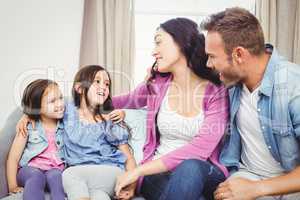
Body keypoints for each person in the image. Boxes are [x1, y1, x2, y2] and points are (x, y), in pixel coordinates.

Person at [113, 18, 229, 200]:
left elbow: (199, 149)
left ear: (181, 42)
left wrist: (137, 171)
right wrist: (87, 97)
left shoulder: (217, 92)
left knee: (190, 167)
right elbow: (124, 101)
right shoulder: (157, 85)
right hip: (158, 176)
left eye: (159, 42)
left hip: (203, 172)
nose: (153, 52)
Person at [201, 7, 300, 200]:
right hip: (246, 176)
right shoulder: (231, 84)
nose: (208, 64)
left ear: (239, 54)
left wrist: (256, 189)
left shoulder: (293, 86)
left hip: (290, 188)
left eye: (212, 56)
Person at [16, 65, 135, 200]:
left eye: (107, 84)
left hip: (110, 174)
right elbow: (45, 106)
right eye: (97, 81)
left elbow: (129, 158)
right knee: (99, 197)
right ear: (79, 88)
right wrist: (27, 115)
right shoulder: (67, 112)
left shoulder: (110, 119)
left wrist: (131, 186)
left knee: (69, 175)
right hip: (86, 182)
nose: (103, 86)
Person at [6, 79, 66, 200]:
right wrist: (12, 186)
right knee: (36, 177)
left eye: (60, 98)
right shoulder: (27, 126)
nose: (60, 104)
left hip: (54, 170)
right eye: (53, 101)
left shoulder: (66, 124)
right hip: (29, 171)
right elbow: (13, 158)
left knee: (56, 176)